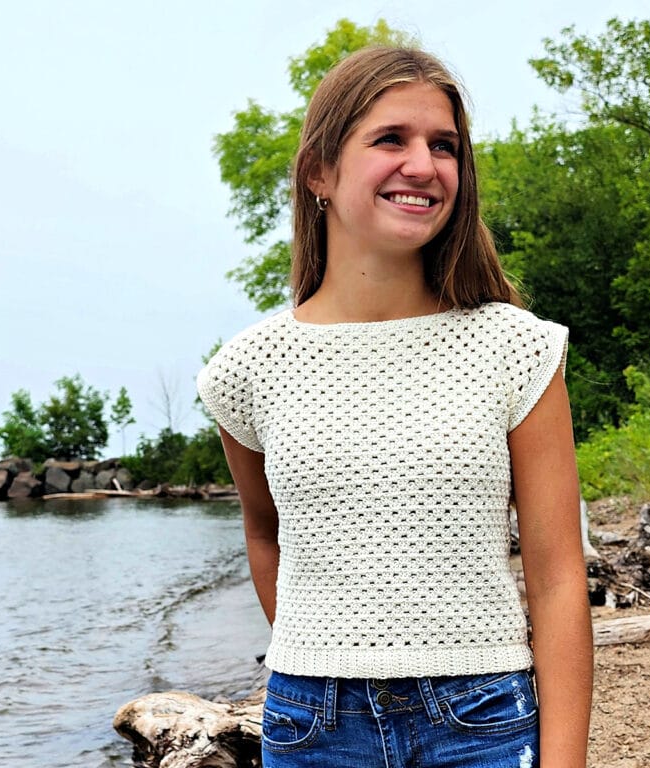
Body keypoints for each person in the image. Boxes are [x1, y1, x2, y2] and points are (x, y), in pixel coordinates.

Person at [198, 46, 593, 768]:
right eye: (391, 139)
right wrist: (319, 655)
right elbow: (265, 536)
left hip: (483, 719)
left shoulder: (517, 348)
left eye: (444, 146)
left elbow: (559, 575)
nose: (424, 165)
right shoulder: (247, 369)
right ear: (319, 170)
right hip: (310, 726)